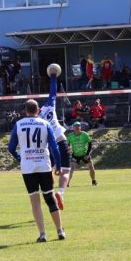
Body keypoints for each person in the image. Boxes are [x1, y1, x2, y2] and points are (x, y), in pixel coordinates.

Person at [8, 99, 65, 242]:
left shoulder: (18, 124)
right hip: (44, 165)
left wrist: (20, 157)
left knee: (35, 202)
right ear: (38, 110)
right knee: (50, 198)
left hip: (28, 167)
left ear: (25, 110)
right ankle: (60, 231)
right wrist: (58, 165)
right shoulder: (45, 124)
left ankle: (42, 234)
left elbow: (11, 148)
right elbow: (54, 147)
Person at [39, 71, 73, 211]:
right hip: (61, 141)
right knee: (66, 171)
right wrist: (53, 77)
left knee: (49, 173)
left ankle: (52, 195)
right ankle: (61, 192)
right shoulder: (49, 107)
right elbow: (53, 92)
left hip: (48, 148)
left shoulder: (36, 120)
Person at [67, 121, 98, 186]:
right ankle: (67, 183)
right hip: (75, 155)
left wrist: (87, 154)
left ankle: (93, 181)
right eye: (76, 126)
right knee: (71, 169)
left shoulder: (85, 135)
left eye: (78, 126)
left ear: (80, 127)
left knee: (91, 167)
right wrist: (68, 152)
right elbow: (67, 145)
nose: (77, 128)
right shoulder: (70, 136)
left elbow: (90, 144)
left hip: (84, 155)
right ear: (73, 127)